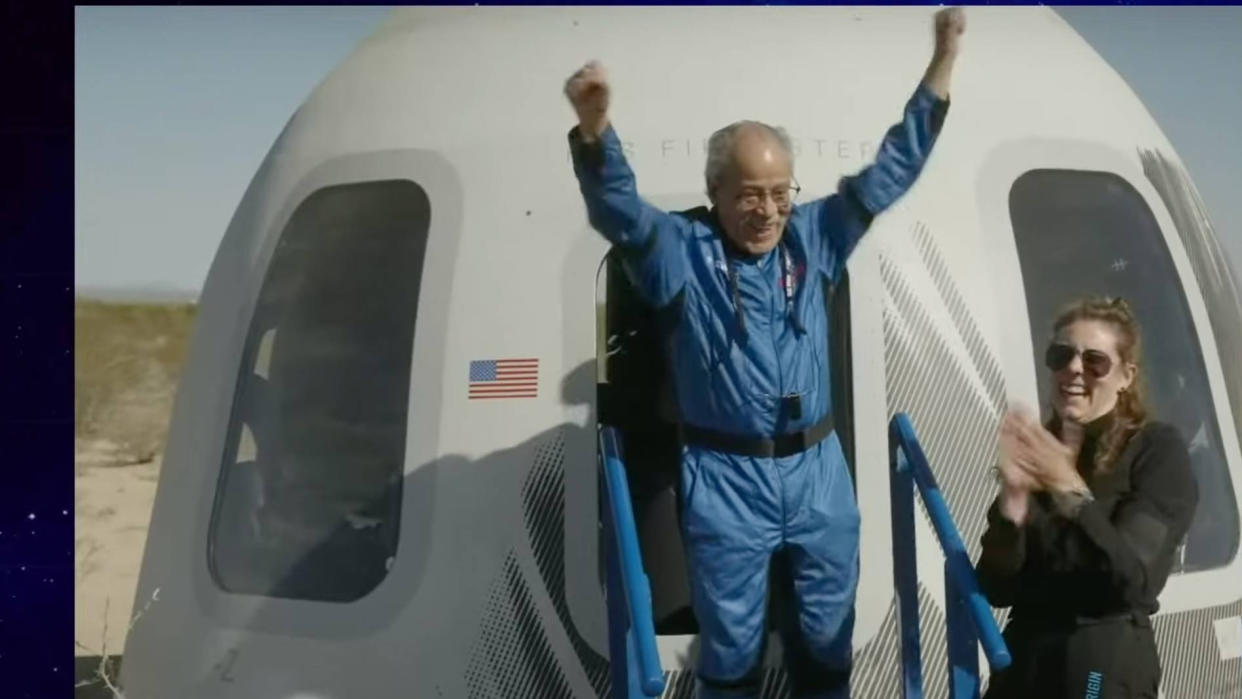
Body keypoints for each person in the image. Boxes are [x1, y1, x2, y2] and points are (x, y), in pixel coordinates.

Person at [564, 8, 964, 697]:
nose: (769, 211)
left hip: (817, 472)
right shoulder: (680, 257)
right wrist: (596, 132)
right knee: (732, 651)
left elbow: (893, 168)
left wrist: (943, 63)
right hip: (726, 479)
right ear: (716, 191)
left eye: (782, 193)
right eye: (751, 194)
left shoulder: (817, 238)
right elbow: (621, 212)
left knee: (827, 639)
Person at [976, 297, 1199, 699]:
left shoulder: (1156, 450)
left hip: (1098, 664)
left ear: (1126, 376)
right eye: (1061, 355)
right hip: (1025, 661)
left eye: (1095, 361)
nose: (1074, 369)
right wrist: (1012, 504)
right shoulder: (1042, 451)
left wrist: (1068, 488)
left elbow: (1134, 580)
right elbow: (997, 587)